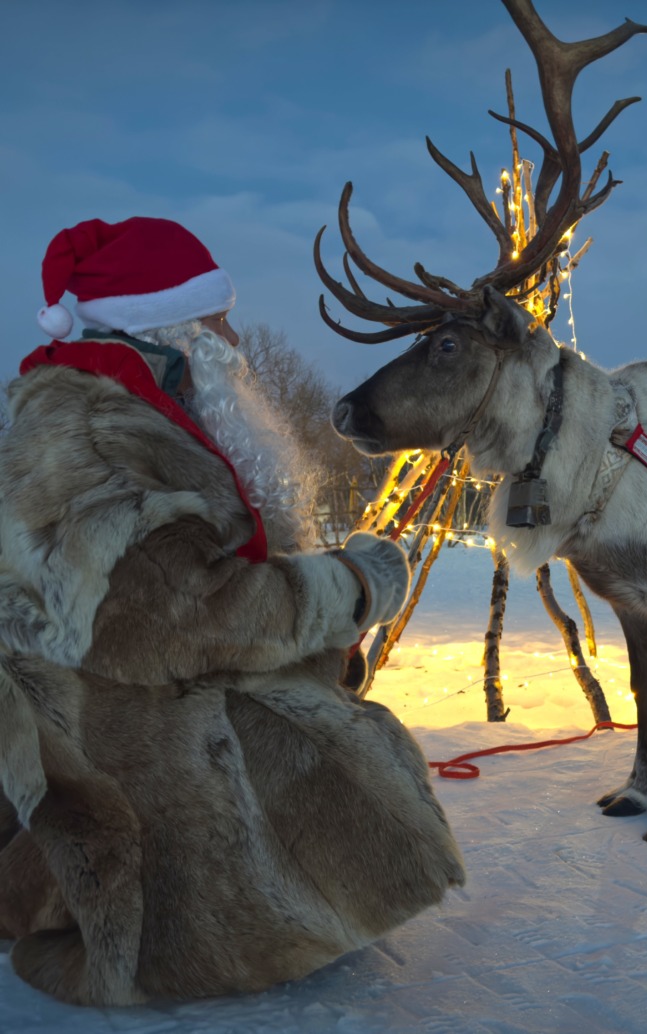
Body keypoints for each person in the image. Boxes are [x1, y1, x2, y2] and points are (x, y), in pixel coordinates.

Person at [0, 217, 464, 1006]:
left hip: (115, 698)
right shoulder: (101, 435)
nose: (235, 335)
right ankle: (218, 927)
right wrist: (352, 585)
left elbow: (182, 585)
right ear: (169, 324)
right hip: (113, 734)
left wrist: (319, 623)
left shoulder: (133, 408)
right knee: (304, 749)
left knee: (323, 709)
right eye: (218, 318)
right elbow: (175, 620)